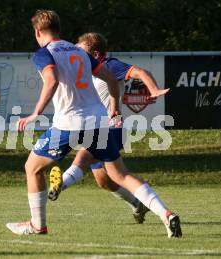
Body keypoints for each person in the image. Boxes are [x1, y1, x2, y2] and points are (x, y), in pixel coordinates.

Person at [6, 10, 182, 238]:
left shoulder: (44, 53)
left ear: (38, 32)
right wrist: (115, 108)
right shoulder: (80, 53)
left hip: (69, 123)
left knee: (32, 168)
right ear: (59, 29)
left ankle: (37, 225)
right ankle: (165, 214)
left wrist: (35, 113)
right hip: (99, 121)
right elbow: (111, 79)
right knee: (119, 174)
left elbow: (51, 79)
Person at [48, 32, 171, 224]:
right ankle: (138, 204)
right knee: (104, 180)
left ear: (96, 54)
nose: (78, 56)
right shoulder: (86, 72)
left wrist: (153, 90)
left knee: (82, 159)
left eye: (82, 52)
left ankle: (58, 186)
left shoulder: (109, 65)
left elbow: (140, 72)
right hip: (94, 129)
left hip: (111, 129)